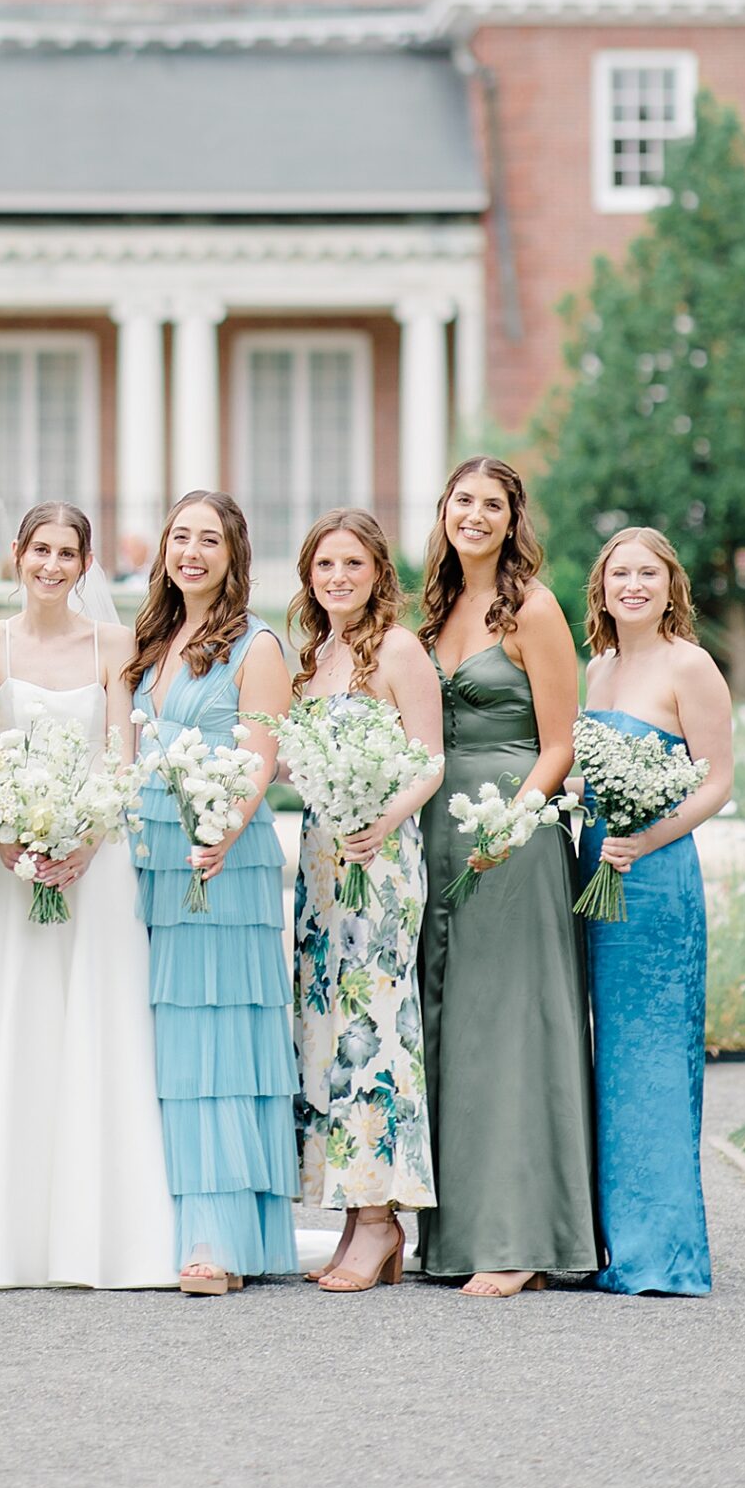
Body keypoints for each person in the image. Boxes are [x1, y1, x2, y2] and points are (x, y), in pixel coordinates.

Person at [0, 503, 176, 1290]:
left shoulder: (113, 644)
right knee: (22, 1019)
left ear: (85, 566)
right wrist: (6, 833)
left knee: (98, 1019)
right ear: (15, 554)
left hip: (99, 855)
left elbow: (123, 757)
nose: (51, 565)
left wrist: (87, 838)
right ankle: (8, 1241)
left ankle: (108, 1238)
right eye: (39, 550)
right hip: (11, 860)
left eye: (66, 553)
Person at [416, 457, 600, 1295]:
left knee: (510, 1026)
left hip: (513, 835)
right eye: (463, 501)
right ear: (444, 511)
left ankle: (518, 1236)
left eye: (492, 504)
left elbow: (559, 741)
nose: (475, 516)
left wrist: (509, 821)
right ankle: (449, 1233)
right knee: (448, 1022)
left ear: (512, 518)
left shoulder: (531, 608)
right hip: (431, 831)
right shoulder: (429, 610)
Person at [127, 490, 299, 1295]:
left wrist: (222, 831)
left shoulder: (254, 644)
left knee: (218, 1046)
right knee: (169, 1045)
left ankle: (218, 1242)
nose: (191, 552)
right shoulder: (153, 637)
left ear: (233, 556)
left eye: (209, 540)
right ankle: (177, 1223)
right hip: (150, 859)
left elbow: (259, 756)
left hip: (218, 861)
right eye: (180, 537)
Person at [289, 508, 445, 1294]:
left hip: (378, 863)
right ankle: (354, 1218)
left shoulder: (396, 649)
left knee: (375, 1028)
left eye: (351, 564)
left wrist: (379, 821)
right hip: (320, 869)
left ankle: (383, 1219)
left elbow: (429, 761)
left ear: (379, 572)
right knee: (325, 1032)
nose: (337, 578)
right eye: (323, 566)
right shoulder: (312, 656)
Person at [579, 526, 732, 1295]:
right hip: (593, 872)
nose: (630, 585)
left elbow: (716, 780)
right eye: (617, 573)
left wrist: (647, 837)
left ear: (671, 584)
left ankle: (661, 1251)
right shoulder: (597, 667)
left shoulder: (688, 664)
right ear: (601, 587)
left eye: (645, 573)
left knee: (651, 1054)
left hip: (655, 874)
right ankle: (608, 1240)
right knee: (606, 1056)